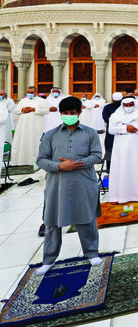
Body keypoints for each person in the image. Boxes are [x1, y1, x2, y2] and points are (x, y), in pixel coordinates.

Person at [34, 96, 103, 275]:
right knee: (52, 222)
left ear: (79, 113)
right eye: (65, 113)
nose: (69, 116)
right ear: (60, 114)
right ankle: (48, 259)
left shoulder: (90, 133)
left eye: (72, 113)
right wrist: (59, 166)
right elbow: (41, 160)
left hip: (83, 182)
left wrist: (77, 163)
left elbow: (97, 155)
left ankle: (91, 252)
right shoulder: (51, 135)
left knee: (86, 218)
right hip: (58, 185)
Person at [108, 96, 138, 203]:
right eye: (126, 105)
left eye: (130, 105)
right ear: (122, 105)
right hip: (121, 148)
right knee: (121, 169)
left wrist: (126, 126)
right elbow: (111, 129)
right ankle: (118, 197)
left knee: (137, 169)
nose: (128, 107)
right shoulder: (115, 115)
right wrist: (126, 128)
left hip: (137, 147)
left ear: (134, 104)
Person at [13, 86, 47, 166]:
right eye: (28, 92)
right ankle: (20, 161)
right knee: (21, 141)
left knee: (34, 141)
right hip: (23, 126)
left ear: (36, 92)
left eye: (32, 92)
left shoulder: (41, 101)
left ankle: (34, 161)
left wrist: (33, 109)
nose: (30, 94)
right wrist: (22, 110)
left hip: (35, 125)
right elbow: (15, 111)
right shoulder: (23, 101)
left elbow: (46, 110)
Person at [102, 92, 122, 162]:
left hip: (122, 133)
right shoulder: (107, 107)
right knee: (110, 151)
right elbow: (106, 118)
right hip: (111, 133)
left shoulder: (123, 107)